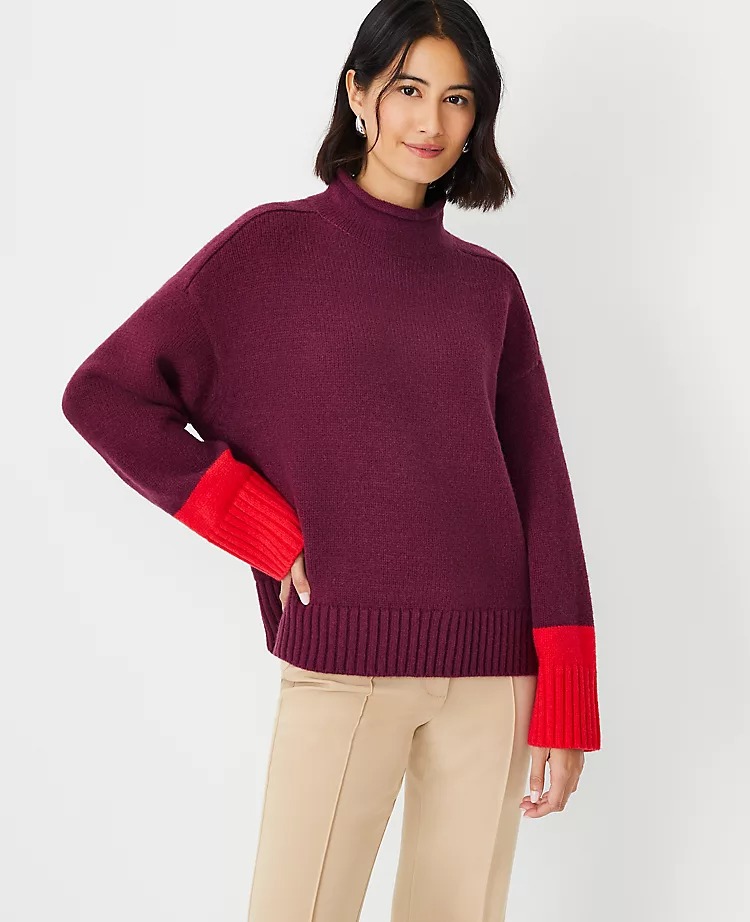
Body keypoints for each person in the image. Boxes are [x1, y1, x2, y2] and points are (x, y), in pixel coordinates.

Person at [61, 1, 602, 919]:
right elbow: (105, 395)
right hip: (341, 660)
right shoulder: (268, 251)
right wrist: (254, 523)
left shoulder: (489, 290)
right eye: (408, 90)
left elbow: (542, 486)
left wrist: (567, 698)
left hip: (494, 675)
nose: (431, 122)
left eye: (458, 99)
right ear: (358, 93)